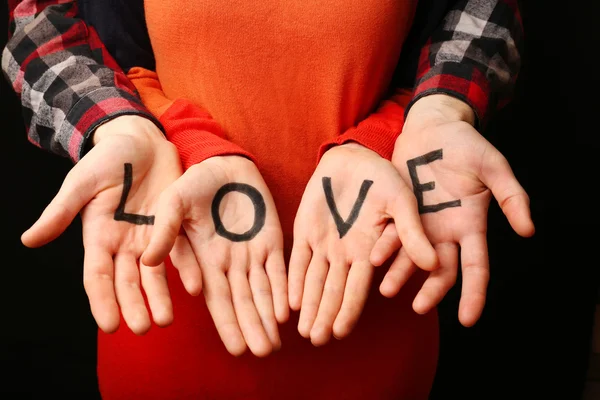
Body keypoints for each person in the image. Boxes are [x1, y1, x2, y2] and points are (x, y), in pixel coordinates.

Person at [3, 0, 533, 398]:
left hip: (373, 297)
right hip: (166, 295)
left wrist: (429, 114)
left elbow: (480, 14)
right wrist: (126, 129)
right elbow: (42, 25)